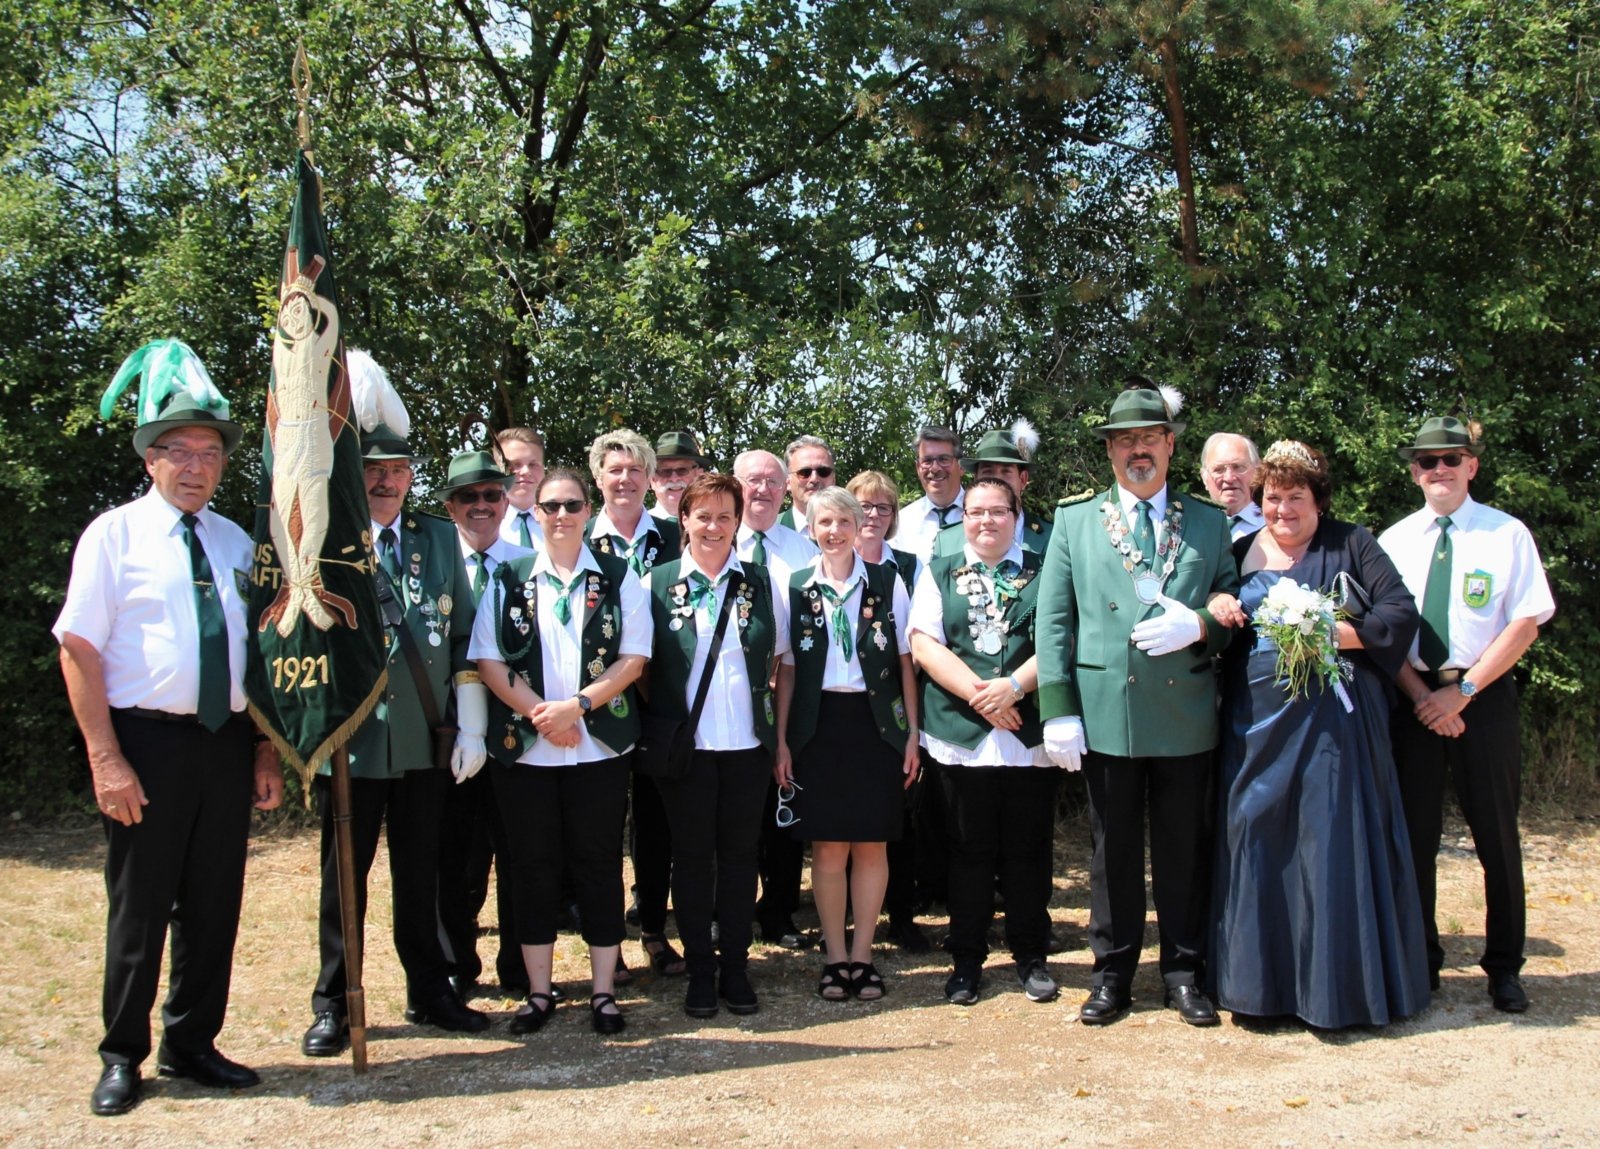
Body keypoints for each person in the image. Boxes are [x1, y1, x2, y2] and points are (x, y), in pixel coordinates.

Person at [57, 340, 283, 1117]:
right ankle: (123, 1052)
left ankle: (192, 1042)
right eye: (179, 451)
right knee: (140, 903)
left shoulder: (235, 544)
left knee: (215, 900)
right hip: (144, 743)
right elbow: (78, 647)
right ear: (149, 459)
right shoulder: (112, 536)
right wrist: (106, 757)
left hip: (221, 742)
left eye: (209, 452)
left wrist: (260, 746)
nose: (196, 465)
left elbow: (256, 655)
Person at [1037, 382, 1239, 1027]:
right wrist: (1058, 708)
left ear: (1170, 445)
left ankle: (1183, 971)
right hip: (1106, 713)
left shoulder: (1209, 520)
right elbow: (1054, 622)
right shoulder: (1074, 519)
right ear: (1110, 452)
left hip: (1184, 711)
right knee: (1112, 851)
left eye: (1148, 438)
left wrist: (1203, 624)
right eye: (1124, 441)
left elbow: (1236, 606)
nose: (1136, 451)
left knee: (1183, 849)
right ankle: (1112, 973)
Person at [302, 366, 490, 1058]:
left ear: (414, 475)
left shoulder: (438, 540)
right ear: (355, 473)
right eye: (374, 469)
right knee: (343, 879)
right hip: (351, 741)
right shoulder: (326, 542)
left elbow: (467, 637)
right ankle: (333, 1001)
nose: (386, 481)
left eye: (399, 469)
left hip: (421, 739)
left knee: (424, 872)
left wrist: (470, 722)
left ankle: (431, 989)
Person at [1210, 440, 1430, 1028]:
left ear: (1319, 500)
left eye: (1296, 498)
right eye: (1274, 498)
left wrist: (1331, 633)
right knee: (1256, 837)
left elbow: (1399, 614)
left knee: (1328, 840)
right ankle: (1259, 988)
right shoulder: (1235, 550)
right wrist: (1219, 600)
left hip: (1335, 727)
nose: (1283, 510)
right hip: (1254, 727)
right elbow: (1212, 611)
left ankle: (1337, 992)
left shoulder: (1353, 542)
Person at [1380, 416, 1555, 1013]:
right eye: (1427, 462)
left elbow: (1526, 621)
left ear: (1471, 466)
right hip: (1414, 702)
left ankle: (1505, 966)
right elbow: (1384, 636)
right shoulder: (1395, 540)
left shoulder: (1507, 535)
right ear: (1413, 472)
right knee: (1414, 839)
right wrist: (1422, 697)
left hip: (1484, 699)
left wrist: (1466, 692)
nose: (1438, 471)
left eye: (1450, 459)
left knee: (1496, 839)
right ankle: (1421, 963)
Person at [474, 467, 652, 1035]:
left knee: (598, 865)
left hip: (596, 745)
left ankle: (603, 992)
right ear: (534, 511)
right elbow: (489, 661)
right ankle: (540, 992)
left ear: (586, 510)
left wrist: (574, 708)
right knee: (531, 868)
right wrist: (541, 716)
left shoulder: (620, 576)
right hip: (527, 749)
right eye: (550, 506)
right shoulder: (508, 576)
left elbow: (634, 659)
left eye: (572, 506)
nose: (560, 516)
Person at [909, 477, 1060, 1006]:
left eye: (998, 511)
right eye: (975, 512)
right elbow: (925, 644)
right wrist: (983, 698)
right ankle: (967, 961)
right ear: (962, 517)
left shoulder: (1047, 570)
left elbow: (1063, 638)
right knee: (967, 853)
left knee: (1027, 851)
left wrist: (1014, 687)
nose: (986, 521)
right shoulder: (939, 571)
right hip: (962, 734)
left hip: (1029, 729)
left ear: (1017, 515)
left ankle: (1030, 955)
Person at [643, 474, 789, 1017]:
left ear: (737, 523)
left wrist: (775, 738)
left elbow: (778, 658)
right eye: (702, 516)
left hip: (747, 747)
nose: (714, 526)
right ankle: (700, 971)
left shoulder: (758, 580)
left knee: (739, 858)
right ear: (683, 520)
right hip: (687, 751)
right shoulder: (655, 583)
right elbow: (641, 667)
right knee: (692, 859)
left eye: (725, 517)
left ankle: (736, 967)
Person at [775, 487, 919, 1001]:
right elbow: (786, 671)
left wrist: (912, 736)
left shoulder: (886, 580)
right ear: (809, 529)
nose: (834, 530)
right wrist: (783, 743)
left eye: (843, 521)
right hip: (818, 727)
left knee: (872, 844)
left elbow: (906, 662)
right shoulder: (793, 587)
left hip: (875, 724)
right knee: (829, 848)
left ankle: (865, 956)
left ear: (860, 526)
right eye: (824, 522)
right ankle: (835, 957)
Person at [437, 450, 533, 999]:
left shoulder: (530, 563)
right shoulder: (432, 563)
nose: (481, 506)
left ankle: (520, 966)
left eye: (491, 496)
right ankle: (456, 967)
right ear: (450, 505)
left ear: (504, 501)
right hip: (449, 736)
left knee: (521, 856)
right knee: (458, 860)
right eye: (468, 497)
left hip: (516, 733)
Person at [586, 428, 680, 980]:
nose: (625, 480)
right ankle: (607, 943)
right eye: (614, 470)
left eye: (635, 470)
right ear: (599, 478)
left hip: (660, 698)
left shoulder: (674, 537)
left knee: (656, 824)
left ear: (650, 479)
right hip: (598, 699)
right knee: (599, 828)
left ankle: (652, 930)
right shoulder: (578, 536)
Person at [733, 448, 819, 948]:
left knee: (786, 807)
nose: (761, 489)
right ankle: (735, 910)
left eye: (771, 481)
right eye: (752, 481)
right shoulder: (719, 543)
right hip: (734, 698)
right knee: (739, 814)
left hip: (791, 694)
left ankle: (781, 912)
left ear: (786, 488)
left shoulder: (803, 549)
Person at [848, 470, 932, 953]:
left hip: (895, 709)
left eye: (883, 507)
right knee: (843, 825)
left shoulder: (909, 566)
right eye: (865, 506)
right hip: (842, 712)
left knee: (898, 819)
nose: (874, 516)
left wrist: (913, 729)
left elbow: (914, 646)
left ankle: (901, 916)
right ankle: (841, 923)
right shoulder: (829, 561)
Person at [934, 421, 1052, 557]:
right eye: (988, 472)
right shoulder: (947, 542)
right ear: (976, 480)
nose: (996, 480)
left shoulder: (1052, 537)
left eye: (1006, 472)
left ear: (1023, 479)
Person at [895, 426, 965, 564]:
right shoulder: (902, 522)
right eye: (927, 461)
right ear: (917, 468)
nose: (935, 468)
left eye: (944, 459)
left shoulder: (982, 516)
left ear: (961, 466)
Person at [1200, 433, 1265, 541]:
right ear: (1204, 478)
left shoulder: (1273, 525)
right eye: (1218, 469)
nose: (1229, 478)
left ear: (1257, 472)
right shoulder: (1190, 527)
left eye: (1238, 467)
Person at [495, 426, 546, 552]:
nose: (526, 471)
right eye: (515, 464)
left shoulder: (564, 523)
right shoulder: (483, 527)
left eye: (533, 465)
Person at [779, 435, 836, 540]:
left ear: (833, 479)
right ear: (787, 482)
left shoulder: (854, 531)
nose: (814, 479)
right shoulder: (771, 529)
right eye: (804, 472)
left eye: (823, 472)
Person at [650, 429, 710, 521]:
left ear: (699, 476)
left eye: (682, 470)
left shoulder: (716, 528)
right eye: (665, 471)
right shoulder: (636, 528)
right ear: (652, 480)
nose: (674, 479)